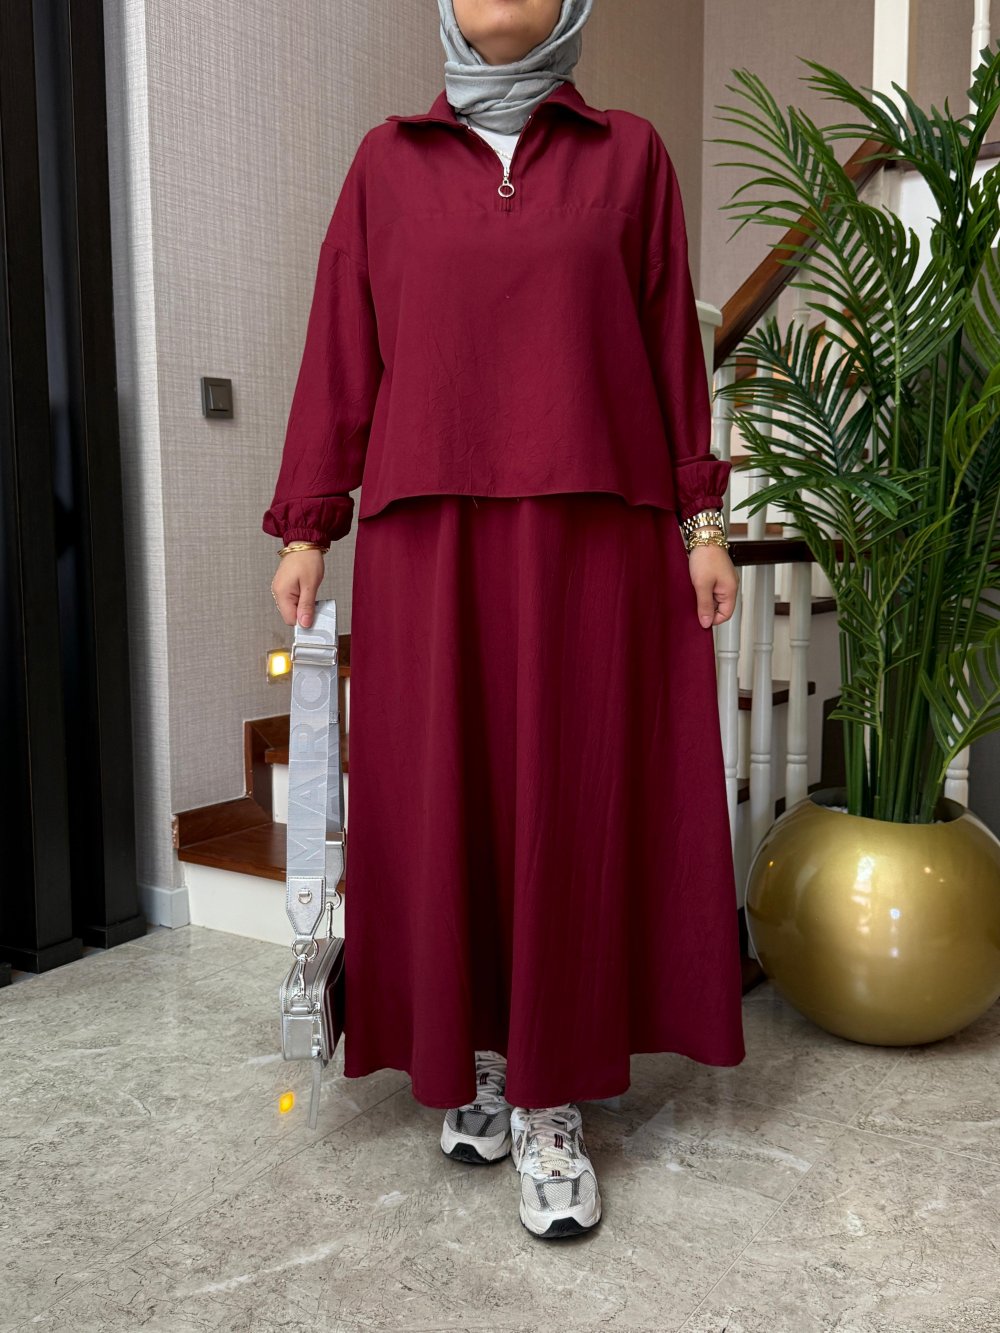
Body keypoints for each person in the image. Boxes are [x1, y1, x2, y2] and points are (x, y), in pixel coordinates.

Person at [265, 0, 745, 1241]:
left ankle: (549, 1096)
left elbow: (668, 352)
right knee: (450, 798)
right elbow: (341, 350)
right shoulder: (385, 163)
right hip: (429, 538)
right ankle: (479, 1057)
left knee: (568, 806)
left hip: (591, 535)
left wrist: (702, 519)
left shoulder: (629, 155)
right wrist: (309, 523)